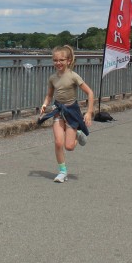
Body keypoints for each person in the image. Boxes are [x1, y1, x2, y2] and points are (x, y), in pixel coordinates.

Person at [39, 45, 95, 183]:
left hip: (72, 111)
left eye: (61, 60)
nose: (58, 63)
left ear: (68, 61)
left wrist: (89, 112)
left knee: (69, 147)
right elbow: (49, 95)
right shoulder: (52, 78)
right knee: (58, 142)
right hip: (58, 110)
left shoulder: (73, 76)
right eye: (55, 60)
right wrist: (44, 105)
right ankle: (62, 172)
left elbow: (90, 93)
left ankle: (77, 133)